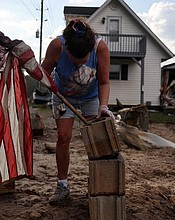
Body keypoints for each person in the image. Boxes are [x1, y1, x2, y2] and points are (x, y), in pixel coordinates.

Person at [41, 18, 114, 205]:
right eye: (76, 61)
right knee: (63, 136)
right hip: (63, 95)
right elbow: (43, 73)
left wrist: (103, 106)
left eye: (84, 61)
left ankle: (98, 184)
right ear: (67, 50)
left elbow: (104, 81)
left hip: (90, 97)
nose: (81, 64)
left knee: (97, 138)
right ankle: (62, 186)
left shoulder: (100, 48)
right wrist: (46, 83)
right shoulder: (57, 45)